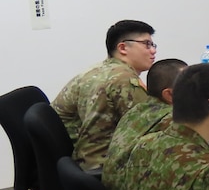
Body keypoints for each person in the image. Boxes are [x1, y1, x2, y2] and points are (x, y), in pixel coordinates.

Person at [53, 19, 156, 169]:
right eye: (147, 44)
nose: (153, 50)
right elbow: (151, 124)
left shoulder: (98, 70)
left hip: (75, 163)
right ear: (123, 48)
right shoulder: (123, 79)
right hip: (101, 164)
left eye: (153, 45)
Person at [102, 58, 187, 175]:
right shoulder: (171, 119)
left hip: (115, 184)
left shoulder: (137, 109)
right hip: (131, 188)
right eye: (190, 86)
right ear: (169, 94)